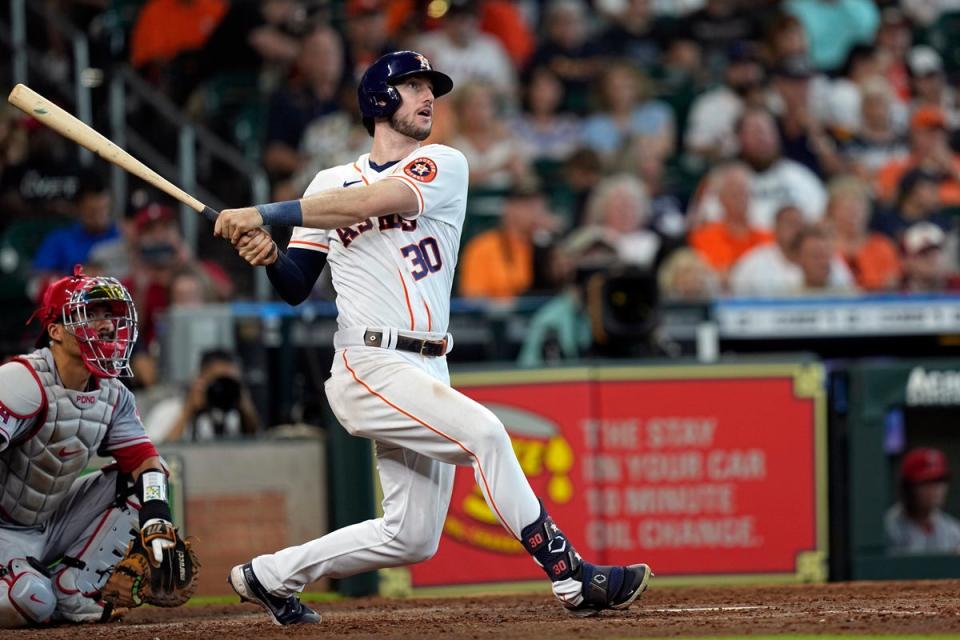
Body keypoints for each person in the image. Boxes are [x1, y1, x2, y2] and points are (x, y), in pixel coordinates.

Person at [215, 50, 651, 625]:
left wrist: (265, 213)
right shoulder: (328, 183)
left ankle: (267, 576)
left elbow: (377, 199)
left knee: (412, 537)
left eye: (431, 88)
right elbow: (296, 285)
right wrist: (270, 254)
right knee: (488, 434)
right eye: (413, 86)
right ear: (378, 100)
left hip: (427, 365)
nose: (428, 97)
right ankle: (570, 574)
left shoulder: (444, 163)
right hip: (368, 362)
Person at [0, 267, 189, 627]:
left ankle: (75, 588)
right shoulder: (20, 380)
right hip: (3, 526)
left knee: (151, 478)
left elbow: (145, 462)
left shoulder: (114, 393)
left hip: (50, 521)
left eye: (110, 314)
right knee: (31, 601)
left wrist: (157, 518)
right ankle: (40, 592)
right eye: (90, 313)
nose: (105, 325)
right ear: (55, 331)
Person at [459, 178, 558, 299]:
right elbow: (473, 298)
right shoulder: (483, 247)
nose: (536, 212)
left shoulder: (545, 246)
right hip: (496, 316)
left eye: (540, 206)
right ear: (509, 208)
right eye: (528, 206)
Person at [143, 349, 260, 443]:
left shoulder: (234, 416)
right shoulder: (168, 411)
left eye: (229, 382)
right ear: (200, 380)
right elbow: (157, 457)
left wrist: (246, 409)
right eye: (218, 381)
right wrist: (187, 412)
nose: (224, 388)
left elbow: (257, 448)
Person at [886, 447, 960, 554]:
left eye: (940, 481)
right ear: (908, 487)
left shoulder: (953, 530)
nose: (936, 489)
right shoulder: (888, 528)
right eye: (927, 482)